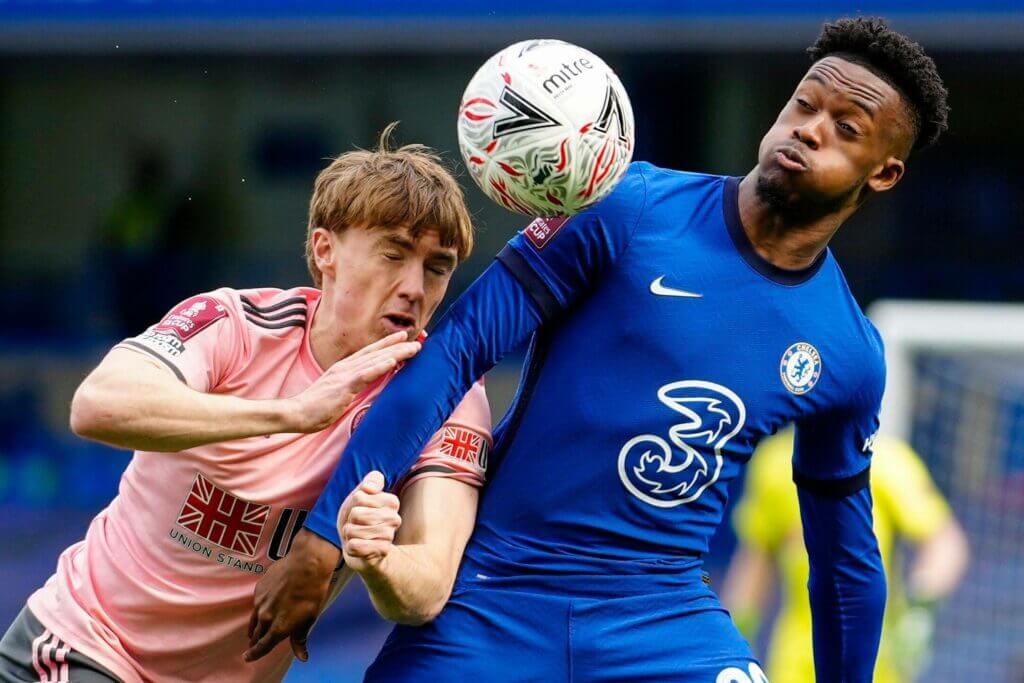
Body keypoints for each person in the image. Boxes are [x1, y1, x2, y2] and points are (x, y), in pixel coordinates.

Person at [248, 17, 950, 682]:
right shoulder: (629, 206)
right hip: (496, 594)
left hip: (664, 620)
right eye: (803, 104)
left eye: (845, 127)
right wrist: (322, 537)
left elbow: (844, 559)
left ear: (882, 173)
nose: (808, 128)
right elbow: (457, 348)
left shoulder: (848, 352)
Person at [0, 129, 492, 683]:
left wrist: (378, 560)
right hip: (88, 645)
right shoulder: (236, 324)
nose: (412, 287)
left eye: (437, 267)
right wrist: (295, 413)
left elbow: (426, 587)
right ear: (325, 250)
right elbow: (95, 406)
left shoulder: (448, 397)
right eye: (393, 254)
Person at [722, 428, 969, 683]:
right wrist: (734, 633)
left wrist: (920, 608)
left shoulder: (887, 461)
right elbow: (757, 559)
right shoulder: (773, 463)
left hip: (875, 658)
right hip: (795, 660)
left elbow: (944, 542)